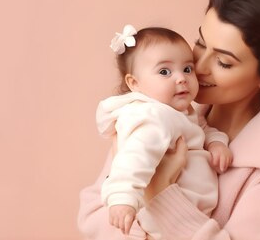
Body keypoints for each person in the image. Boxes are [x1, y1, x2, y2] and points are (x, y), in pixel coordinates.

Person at [78, 0, 260, 240]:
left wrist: (160, 191)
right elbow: (93, 213)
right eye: (200, 42)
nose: (199, 66)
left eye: (223, 61)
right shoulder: (164, 108)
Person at [95, 25, 233, 239]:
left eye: (187, 69)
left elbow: (202, 128)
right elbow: (134, 158)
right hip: (162, 216)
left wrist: (216, 142)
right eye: (164, 72)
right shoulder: (153, 117)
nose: (181, 78)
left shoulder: (179, 113)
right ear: (134, 83)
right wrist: (122, 197)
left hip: (184, 215)